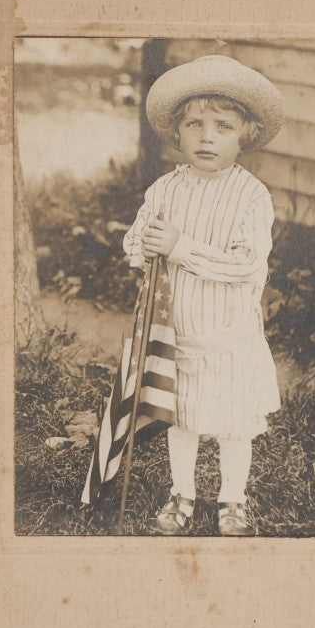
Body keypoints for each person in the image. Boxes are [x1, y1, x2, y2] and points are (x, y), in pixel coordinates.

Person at [123, 54, 285, 536]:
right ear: (177, 133)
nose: (207, 136)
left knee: (234, 423)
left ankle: (233, 499)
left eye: (222, 126)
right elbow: (136, 241)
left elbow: (245, 265)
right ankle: (182, 494)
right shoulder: (165, 189)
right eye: (194, 124)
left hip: (229, 335)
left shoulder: (251, 196)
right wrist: (144, 245)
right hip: (181, 333)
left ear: (245, 135)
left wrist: (181, 247)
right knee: (185, 419)